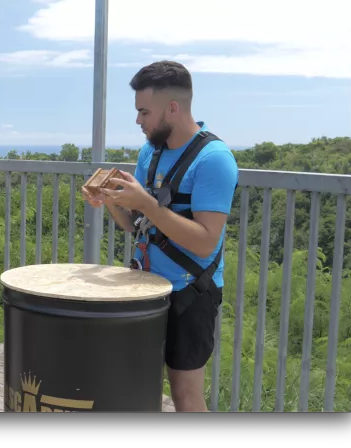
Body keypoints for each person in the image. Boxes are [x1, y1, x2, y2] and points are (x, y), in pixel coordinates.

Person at [82, 61, 238, 412]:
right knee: (134, 383)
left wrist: (146, 204)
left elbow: (205, 242)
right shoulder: (150, 152)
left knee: (185, 394)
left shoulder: (213, 159)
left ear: (172, 108)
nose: (138, 121)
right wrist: (110, 200)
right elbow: (133, 224)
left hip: (190, 291)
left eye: (144, 112)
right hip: (144, 287)